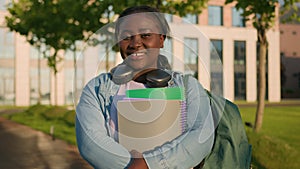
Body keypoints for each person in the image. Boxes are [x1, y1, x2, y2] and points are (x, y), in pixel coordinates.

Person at [76, 5, 214, 169]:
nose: (136, 43)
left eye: (146, 35)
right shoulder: (96, 89)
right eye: (126, 37)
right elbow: (90, 142)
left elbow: (201, 135)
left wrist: (149, 165)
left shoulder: (189, 86)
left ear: (161, 39)